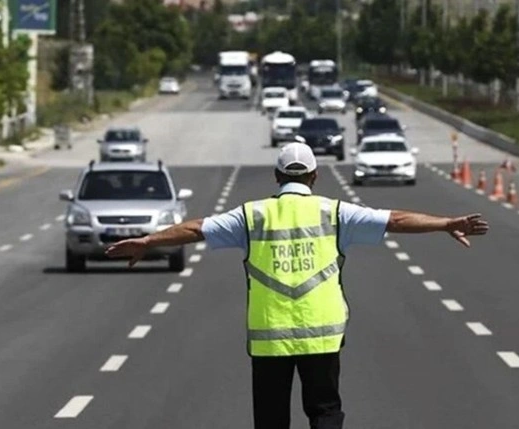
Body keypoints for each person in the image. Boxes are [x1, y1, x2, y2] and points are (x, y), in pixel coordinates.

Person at [105, 142, 489, 429]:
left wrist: (147, 241)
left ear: (276, 177)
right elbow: (396, 220)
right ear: (314, 176)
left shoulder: (252, 215)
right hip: (321, 335)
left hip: (270, 336)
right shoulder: (335, 212)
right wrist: (445, 223)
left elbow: (195, 229)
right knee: (325, 412)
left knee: (271, 419)